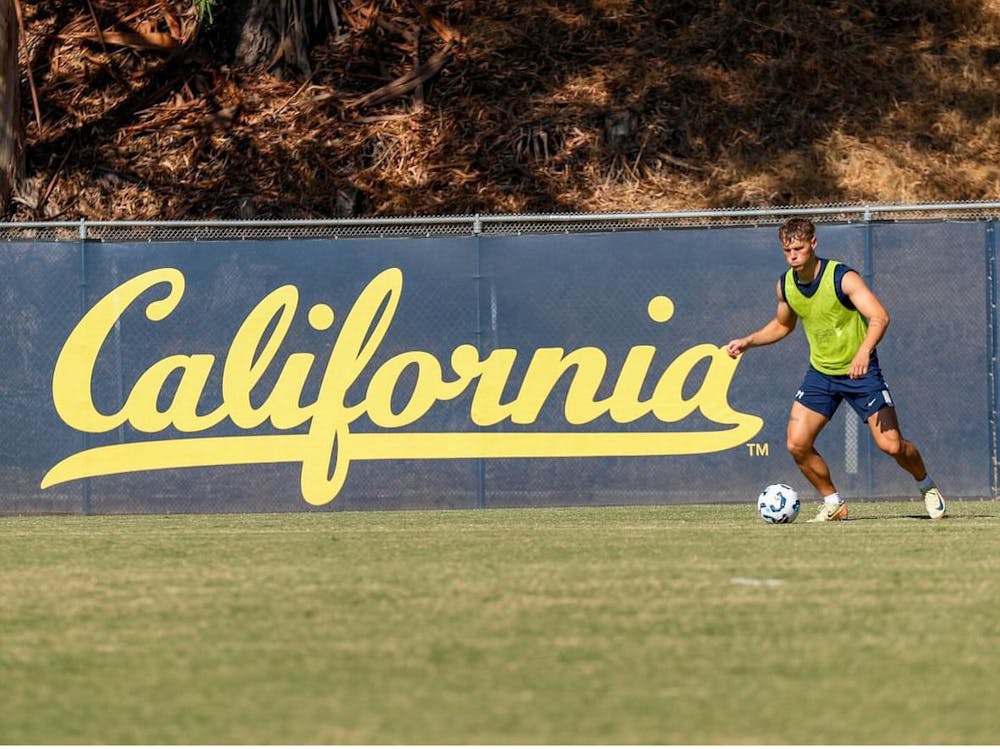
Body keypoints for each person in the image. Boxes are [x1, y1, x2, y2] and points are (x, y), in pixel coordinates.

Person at [726, 217, 947, 521]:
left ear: (813, 243)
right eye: (787, 250)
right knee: (797, 444)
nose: (793, 255)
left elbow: (880, 317)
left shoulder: (842, 278)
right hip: (821, 374)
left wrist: (863, 352)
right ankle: (834, 503)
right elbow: (782, 324)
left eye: (799, 248)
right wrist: (748, 341)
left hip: (862, 373)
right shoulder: (786, 285)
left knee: (892, 445)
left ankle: (926, 485)